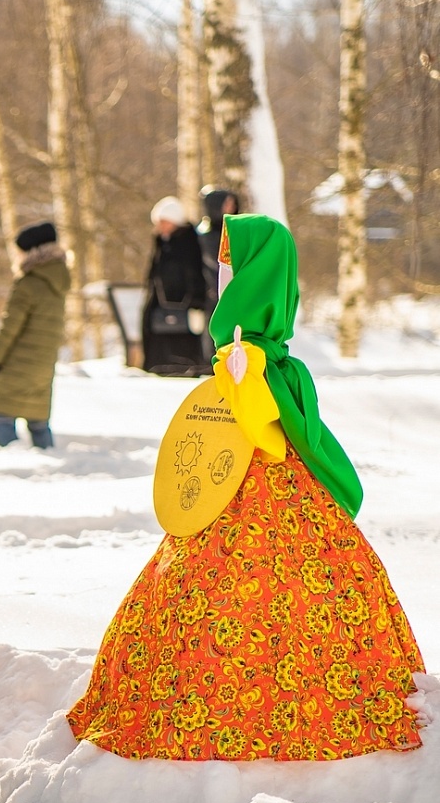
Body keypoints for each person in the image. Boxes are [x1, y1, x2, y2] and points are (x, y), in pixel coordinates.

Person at [68, 214, 426, 760]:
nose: (222, 276)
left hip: (255, 489)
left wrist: (241, 380)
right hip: (249, 487)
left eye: (232, 267)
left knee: (242, 595)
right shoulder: (280, 361)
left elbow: (268, 433)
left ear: (258, 276)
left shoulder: (255, 359)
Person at [0, 222, 69, 450]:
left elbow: (10, 326)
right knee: (38, 420)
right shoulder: (59, 279)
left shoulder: (29, 283)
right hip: (44, 363)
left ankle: (10, 460)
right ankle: (48, 454)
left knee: (3, 415)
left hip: (17, 362)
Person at [141, 196, 209, 377]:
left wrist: (194, 300)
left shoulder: (189, 242)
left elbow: (194, 273)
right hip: (161, 305)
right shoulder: (161, 242)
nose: (161, 226)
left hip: (185, 304)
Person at [197, 188, 240, 321]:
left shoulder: (236, 229)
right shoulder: (207, 233)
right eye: (226, 204)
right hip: (215, 294)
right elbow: (219, 262)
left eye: (232, 203)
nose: (231, 207)